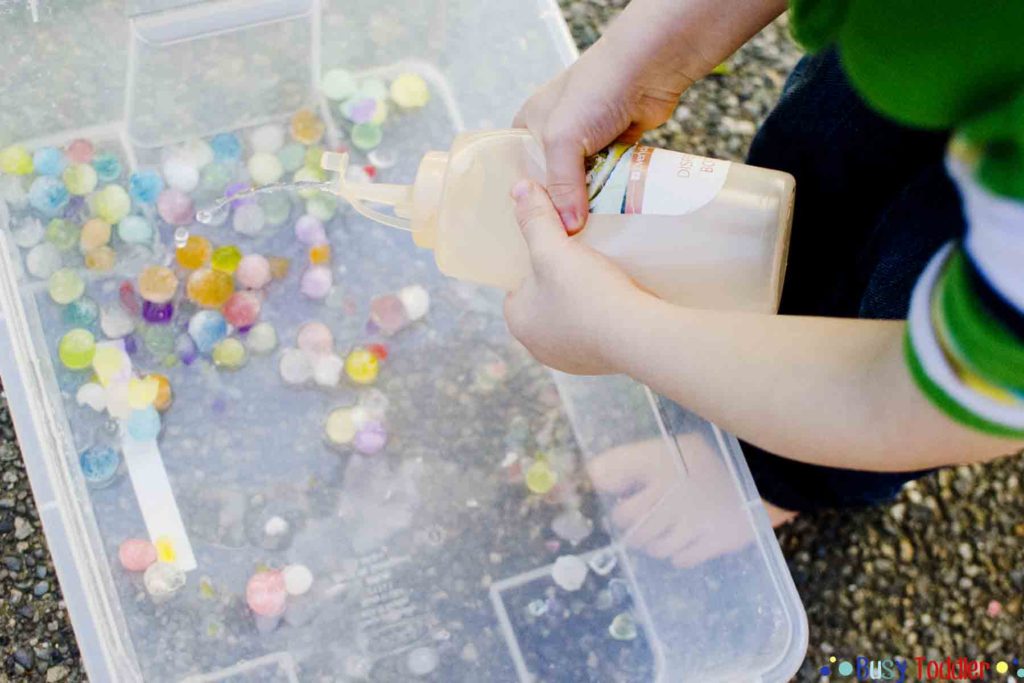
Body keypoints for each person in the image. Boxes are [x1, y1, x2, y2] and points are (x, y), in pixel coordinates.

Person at [504, 0, 1024, 545]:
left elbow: (931, 397)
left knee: (913, 304)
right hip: (939, 49)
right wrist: (641, 56)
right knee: (823, 160)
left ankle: (781, 475)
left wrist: (612, 328)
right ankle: (757, 317)